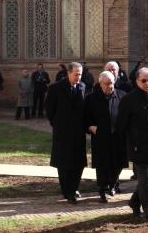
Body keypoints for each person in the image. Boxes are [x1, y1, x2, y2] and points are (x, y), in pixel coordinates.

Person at [117, 68, 148, 227]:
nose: (147, 83)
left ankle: (134, 202)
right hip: (139, 150)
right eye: (143, 80)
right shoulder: (129, 100)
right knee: (146, 183)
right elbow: (121, 126)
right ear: (137, 81)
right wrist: (128, 147)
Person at [45, 62, 88, 204]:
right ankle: (67, 190)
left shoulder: (82, 87)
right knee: (64, 163)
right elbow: (50, 110)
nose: (78, 77)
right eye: (76, 74)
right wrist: (58, 124)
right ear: (68, 73)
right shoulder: (56, 88)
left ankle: (74, 188)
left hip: (78, 132)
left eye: (80, 74)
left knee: (78, 163)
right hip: (63, 132)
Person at [84, 70, 127, 202]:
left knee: (118, 164)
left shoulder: (122, 95)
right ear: (100, 84)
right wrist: (90, 127)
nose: (110, 86)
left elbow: (127, 115)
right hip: (101, 137)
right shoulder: (91, 98)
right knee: (103, 165)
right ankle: (102, 190)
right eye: (107, 84)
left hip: (118, 137)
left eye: (112, 83)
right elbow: (85, 117)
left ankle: (112, 184)